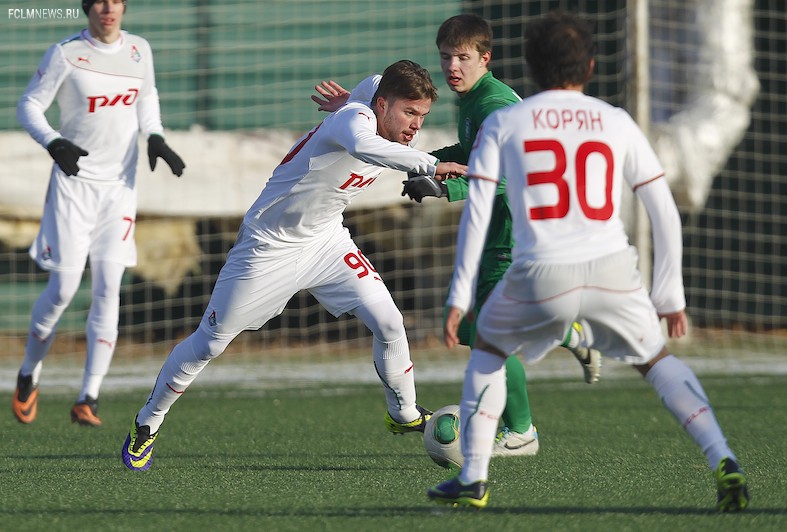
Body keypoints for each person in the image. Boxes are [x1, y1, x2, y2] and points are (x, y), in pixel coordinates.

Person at [427, 11, 749, 512]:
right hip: (612, 270)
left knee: (487, 350)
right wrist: (670, 295)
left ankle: (473, 477)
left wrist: (459, 294)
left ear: (530, 68)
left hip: (538, 272)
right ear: (592, 66)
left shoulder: (507, 120)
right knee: (657, 362)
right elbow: (663, 209)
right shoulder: (616, 120)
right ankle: (723, 457)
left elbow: (480, 209)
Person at [121, 60, 468, 471]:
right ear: (383, 104)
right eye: (409, 113)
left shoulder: (369, 97)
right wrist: (429, 162)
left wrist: (355, 100)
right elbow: (362, 144)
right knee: (210, 342)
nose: (415, 126)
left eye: (423, 116)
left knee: (390, 322)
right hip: (268, 248)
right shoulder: (355, 121)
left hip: (326, 240)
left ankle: (404, 413)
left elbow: (368, 95)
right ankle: (148, 422)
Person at [312, 14, 601, 459]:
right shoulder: (473, 101)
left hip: (519, 234)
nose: (452, 66)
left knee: (488, 334)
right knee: (474, 329)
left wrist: (447, 185)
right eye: (446, 56)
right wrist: (421, 164)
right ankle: (566, 331)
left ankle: (521, 431)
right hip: (496, 233)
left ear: (485, 58)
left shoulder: (495, 105)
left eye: (463, 57)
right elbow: (469, 154)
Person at [12, 0, 185, 427]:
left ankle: (88, 397)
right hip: (74, 186)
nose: (108, 8)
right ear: (87, 7)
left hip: (119, 190)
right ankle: (29, 372)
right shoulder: (66, 53)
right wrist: (53, 141)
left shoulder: (139, 50)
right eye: (99, 1)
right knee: (64, 290)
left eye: (116, 1)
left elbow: (147, 96)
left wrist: (156, 136)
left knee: (110, 288)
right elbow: (29, 105)